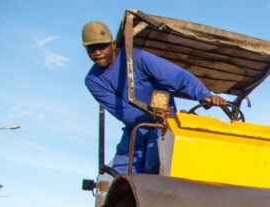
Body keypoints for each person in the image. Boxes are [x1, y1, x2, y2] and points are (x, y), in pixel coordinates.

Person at [82, 21, 227, 174]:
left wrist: (204, 95)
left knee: (156, 169)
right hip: (136, 126)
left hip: (163, 124)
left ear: (112, 45)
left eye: (101, 46)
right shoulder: (93, 80)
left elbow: (176, 76)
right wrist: (149, 116)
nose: (97, 52)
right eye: (92, 48)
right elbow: (121, 110)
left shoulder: (137, 58)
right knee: (120, 173)